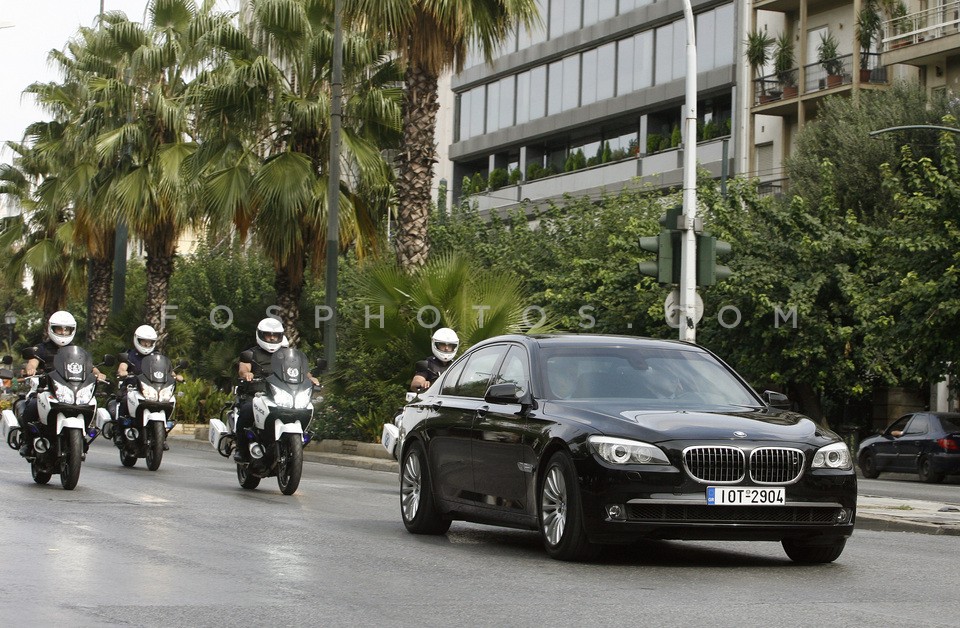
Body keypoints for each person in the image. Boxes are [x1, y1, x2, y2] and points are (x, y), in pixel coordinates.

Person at [18, 311, 105, 455]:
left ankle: (81, 437)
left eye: (67, 329)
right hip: (47, 388)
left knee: (89, 404)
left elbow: (90, 366)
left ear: (72, 330)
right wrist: (31, 369)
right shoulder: (42, 348)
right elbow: (32, 362)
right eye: (59, 328)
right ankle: (28, 442)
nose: (63, 332)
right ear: (51, 329)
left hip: (71, 388)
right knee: (32, 406)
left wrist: (98, 373)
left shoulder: (77, 351)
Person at [233, 319, 318, 461]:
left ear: (281, 336)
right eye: (268, 335)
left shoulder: (287, 354)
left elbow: (301, 371)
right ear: (260, 335)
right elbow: (244, 368)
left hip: (280, 393)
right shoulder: (251, 353)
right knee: (247, 410)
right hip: (257, 393)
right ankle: (241, 450)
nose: (272, 338)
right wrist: (247, 374)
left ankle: (291, 444)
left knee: (303, 408)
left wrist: (311, 379)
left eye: (275, 335)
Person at [115, 324, 181, 449]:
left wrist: (176, 376)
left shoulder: (157, 357)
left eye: (149, 342)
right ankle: (119, 431)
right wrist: (123, 372)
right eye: (144, 342)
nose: (146, 345)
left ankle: (162, 435)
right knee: (124, 400)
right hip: (133, 387)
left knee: (167, 402)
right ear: (137, 340)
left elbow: (168, 370)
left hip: (152, 388)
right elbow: (122, 367)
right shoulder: (130, 355)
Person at [410, 327, 460, 392]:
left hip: (453, 397)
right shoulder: (427, 363)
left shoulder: (458, 364)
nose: (447, 348)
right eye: (442, 345)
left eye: (450, 345)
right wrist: (422, 383)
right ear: (435, 344)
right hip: (432, 398)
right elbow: (416, 382)